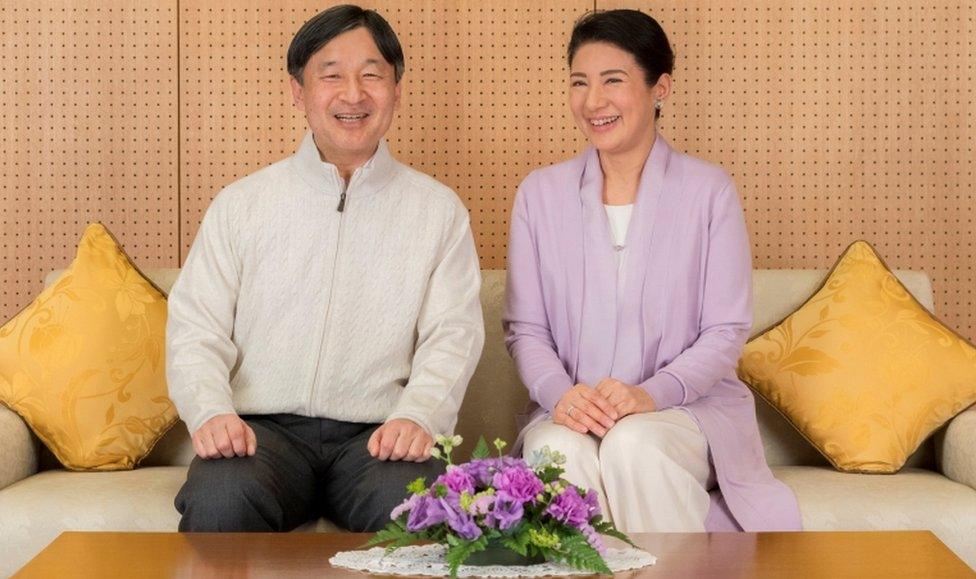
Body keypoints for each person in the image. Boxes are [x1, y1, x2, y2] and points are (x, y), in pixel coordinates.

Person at [166, 4, 484, 532]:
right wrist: (210, 411)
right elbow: (195, 328)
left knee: (422, 513)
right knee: (221, 498)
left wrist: (418, 416)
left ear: (397, 89)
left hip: (379, 437)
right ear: (299, 92)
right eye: (331, 75)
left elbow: (453, 335)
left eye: (371, 75)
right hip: (262, 434)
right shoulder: (242, 204)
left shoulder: (438, 210)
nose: (353, 94)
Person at [503, 9, 802, 532]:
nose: (593, 101)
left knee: (634, 444)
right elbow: (526, 330)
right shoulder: (539, 195)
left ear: (659, 87)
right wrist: (560, 395)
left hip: (687, 414)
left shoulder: (709, 192)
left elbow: (724, 333)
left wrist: (650, 394)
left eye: (612, 81)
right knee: (554, 453)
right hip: (572, 409)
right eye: (579, 82)